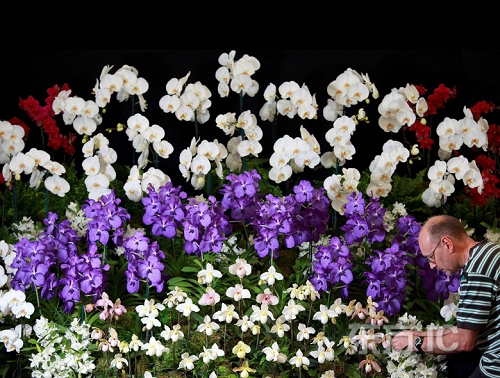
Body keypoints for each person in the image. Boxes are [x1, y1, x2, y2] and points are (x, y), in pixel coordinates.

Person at [391, 214, 500, 378]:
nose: (431, 265)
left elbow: (464, 341)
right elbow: (466, 329)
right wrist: (418, 335)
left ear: (447, 244)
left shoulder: (477, 272)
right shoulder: (488, 253)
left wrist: (416, 343)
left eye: (430, 257)